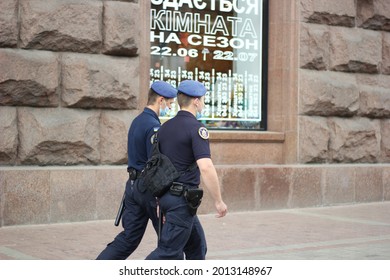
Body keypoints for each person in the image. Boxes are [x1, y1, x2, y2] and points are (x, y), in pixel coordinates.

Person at [96, 81, 206, 260]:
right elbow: (156, 166)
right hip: (149, 190)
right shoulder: (154, 127)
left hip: (132, 188)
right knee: (171, 246)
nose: (170, 107)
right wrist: (160, 201)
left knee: (128, 239)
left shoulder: (137, 121)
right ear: (160, 100)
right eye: (169, 103)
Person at [145, 79, 228, 260]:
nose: (203, 103)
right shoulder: (196, 129)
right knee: (168, 253)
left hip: (170, 198)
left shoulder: (164, 128)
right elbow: (206, 167)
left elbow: (157, 166)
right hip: (181, 202)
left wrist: (160, 200)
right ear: (196, 101)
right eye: (203, 99)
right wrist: (219, 201)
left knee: (197, 248)